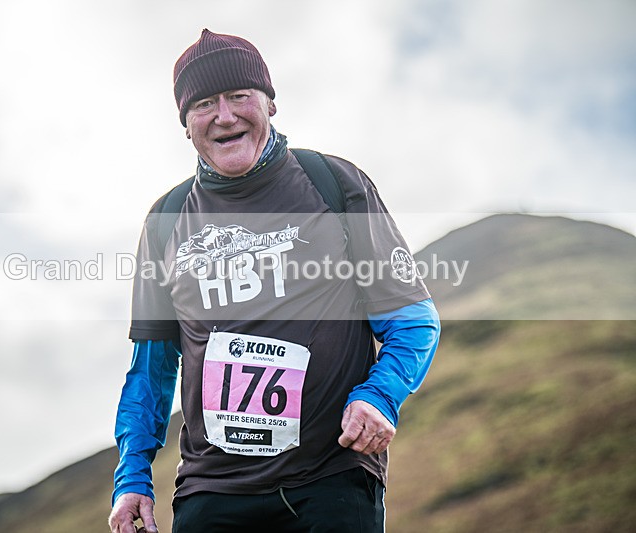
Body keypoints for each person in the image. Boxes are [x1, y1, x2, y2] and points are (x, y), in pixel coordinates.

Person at [109, 29, 440, 533]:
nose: (224, 115)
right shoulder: (167, 219)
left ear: (269, 103)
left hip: (331, 480)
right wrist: (131, 477)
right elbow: (150, 371)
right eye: (203, 103)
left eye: (239, 96)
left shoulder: (334, 184)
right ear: (185, 124)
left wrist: (379, 395)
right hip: (212, 492)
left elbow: (414, 320)